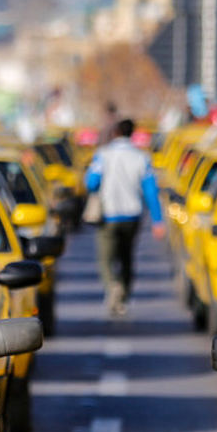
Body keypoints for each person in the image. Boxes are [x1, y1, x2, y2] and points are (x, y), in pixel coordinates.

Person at [84, 118, 165, 318]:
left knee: (106, 257)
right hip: (132, 216)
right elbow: (150, 191)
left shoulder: (103, 155)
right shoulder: (141, 158)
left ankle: (112, 285)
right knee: (127, 256)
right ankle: (125, 295)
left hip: (108, 216)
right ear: (132, 134)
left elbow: (91, 183)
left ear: (115, 133)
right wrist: (157, 220)